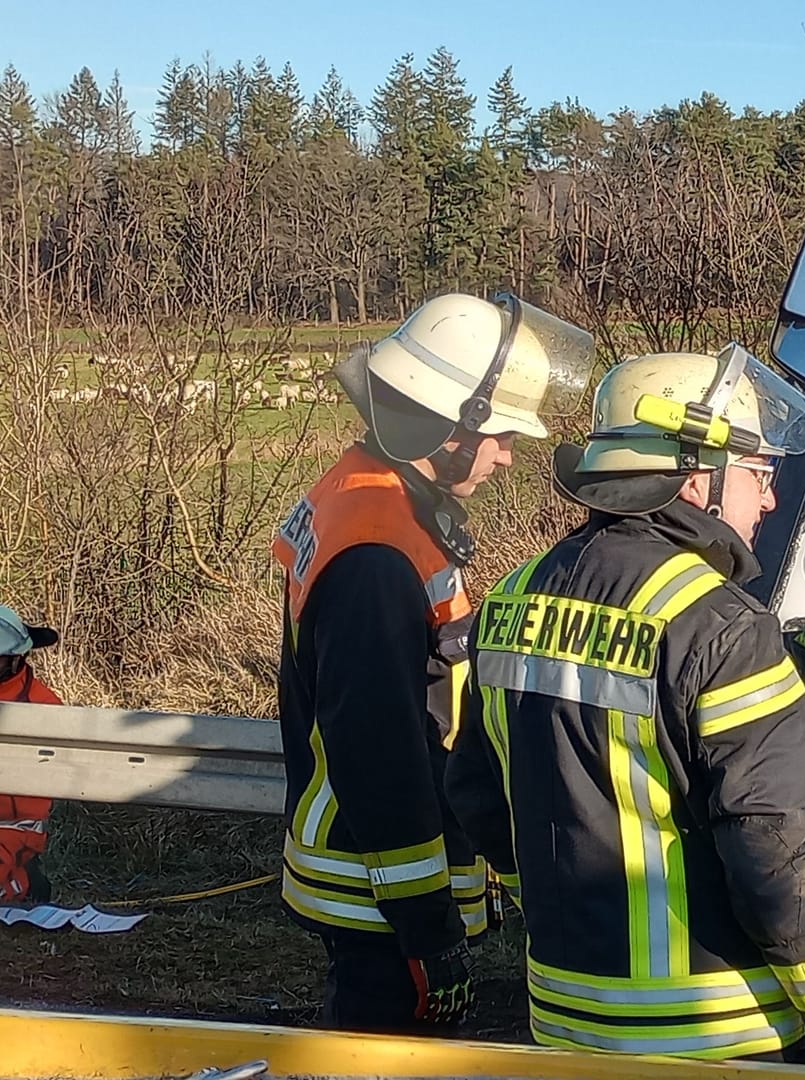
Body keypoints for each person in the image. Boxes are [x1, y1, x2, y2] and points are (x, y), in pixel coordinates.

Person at [445, 346, 805, 1065]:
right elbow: (776, 852)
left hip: (563, 1018)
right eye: (758, 474)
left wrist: (553, 902)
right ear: (696, 476)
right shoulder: (722, 627)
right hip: (717, 1031)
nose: (769, 499)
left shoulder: (511, 597)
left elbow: (477, 795)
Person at [271, 291, 593, 1033]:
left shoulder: (366, 494)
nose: (508, 456)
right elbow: (380, 751)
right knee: (383, 1047)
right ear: (451, 422)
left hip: (369, 869)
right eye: (502, 435)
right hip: (373, 883)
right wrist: (429, 934)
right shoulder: (378, 554)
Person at [0, 605, 61, 906]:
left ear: (17, 658)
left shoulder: (44, 708)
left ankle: (26, 881)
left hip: (14, 828)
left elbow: (32, 809)